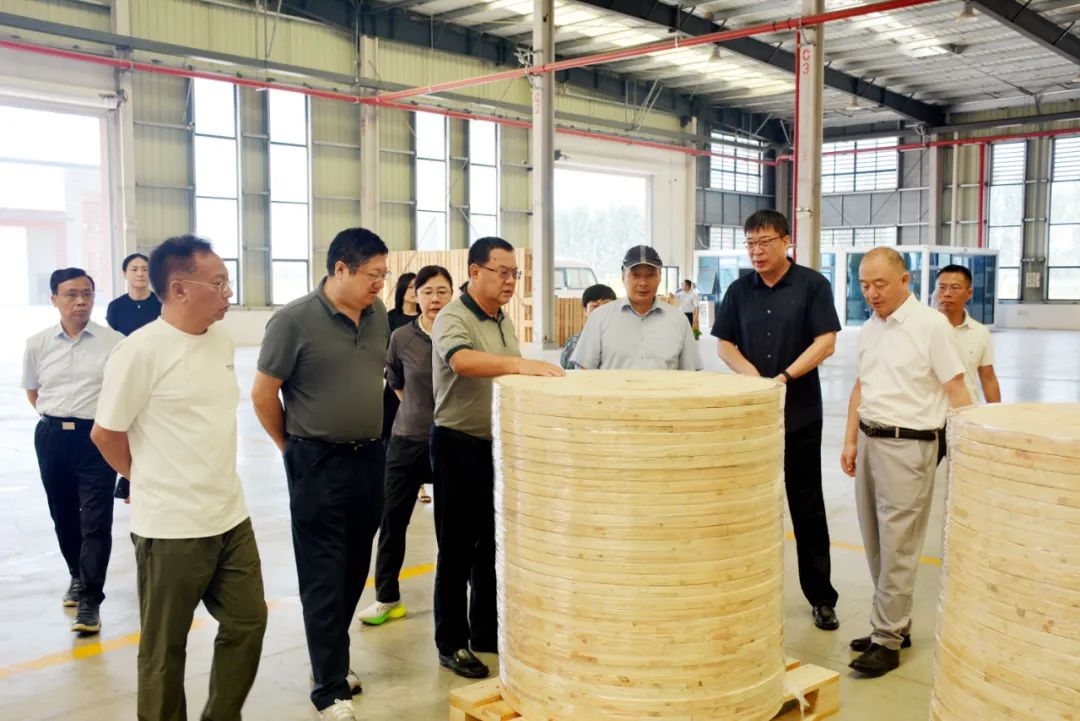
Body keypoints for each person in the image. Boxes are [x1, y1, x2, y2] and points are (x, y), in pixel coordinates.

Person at [91, 236, 267, 721]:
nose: (228, 292)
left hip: (229, 515)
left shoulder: (222, 341)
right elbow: (105, 434)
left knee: (248, 621)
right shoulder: (139, 351)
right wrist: (143, 477)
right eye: (219, 283)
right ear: (179, 289)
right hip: (170, 528)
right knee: (164, 649)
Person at [251, 227, 389, 721]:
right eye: (373, 274)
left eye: (384, 274)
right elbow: (263, 394)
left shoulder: (377, 315)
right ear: (340, 269)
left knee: (353, 569)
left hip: (369, 458)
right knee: (323, 574)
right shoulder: (294, 320)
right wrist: (291, 449)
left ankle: (330, 659)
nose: (380, 284)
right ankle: (329, 688)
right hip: (316, 462)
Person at [431, 236, 564, 680]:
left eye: (514, 274)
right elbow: (462, 361)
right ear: (475, 272)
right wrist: (521, 366)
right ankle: (451, 642)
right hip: (457, 444)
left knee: (491, 542)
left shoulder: (501, 318)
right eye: (502, 272)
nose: (510, 281)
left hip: (497, 444)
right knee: (456, 547)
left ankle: (486, 631)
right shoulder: (454, 316)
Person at [840, 247, 970, 678]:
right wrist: (850, 440)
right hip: (870, 438)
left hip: (909, 445)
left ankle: (887, 639)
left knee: (899, 545)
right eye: (864, 285)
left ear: (904, 281)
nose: (871, 293)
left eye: (879, 284)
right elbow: (861, 386)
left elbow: (956, 388)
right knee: (876, 540)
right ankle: (895, 624)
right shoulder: (869, 328)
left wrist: (970, 449)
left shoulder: (931, 326)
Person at [712, 209, 843, 632]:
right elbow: (724, 345)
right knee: (746, 506)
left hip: (800, 414)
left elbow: (826, 341)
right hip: (751, 419)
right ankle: (744, 589)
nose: (757, 251)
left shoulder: (812, 285)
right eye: (750, 243)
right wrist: (756, 381)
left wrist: (784, 378)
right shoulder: (738, 290)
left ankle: (821, 597)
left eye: (765, 242)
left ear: (786, 241)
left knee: (807, 506)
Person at [21, 268, 122, 635]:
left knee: (96, 520)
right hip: (52, 438)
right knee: (63, 515)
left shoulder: (114, 343)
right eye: (71, 294)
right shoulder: (37, 343)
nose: (81, 301)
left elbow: (121, 394)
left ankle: (90, 600)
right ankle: (77, 575)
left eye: (87, 294)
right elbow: (34, 392)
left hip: (95, 438)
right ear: (54, 299)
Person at [358, 265, 453, 627]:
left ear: (452, 295)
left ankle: (454, 603)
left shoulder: (460, 335)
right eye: (427, 291)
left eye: (442, 291)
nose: (434, 299)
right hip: (407, 439)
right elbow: (396, 382)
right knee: (392, 521)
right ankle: (387, 598)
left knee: (451, 527)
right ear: (416, 295)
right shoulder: (401, 337)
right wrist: (417, 410)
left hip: (451, 442)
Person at [569, 245, 703, 371]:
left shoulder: (679, 321)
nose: (643, 283)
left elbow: (690, 374)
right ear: (623, 277)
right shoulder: (599, 318)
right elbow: (585, 371)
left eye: (650, 275)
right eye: (635, 275)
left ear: (660, 277)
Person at [934, 264, 1001, 463]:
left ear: (969, 293)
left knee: (963, 472)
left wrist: (998, 416)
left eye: (955, 288)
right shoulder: (923, 328)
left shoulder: (980, 332)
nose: (947, 294)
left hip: (964, 416)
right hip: (928, 418)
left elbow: (988, 378)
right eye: (942, 287)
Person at [560, 283, 616, 369]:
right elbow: (566, 366)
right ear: (585, 311)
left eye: (606, 306)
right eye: (595, 306)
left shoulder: (622, 338)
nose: (601, 311)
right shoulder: (575, 341)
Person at [105, 252, 162, 336]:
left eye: (145, 269)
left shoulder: (163, 304)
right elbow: (111, 337)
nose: (140, 274)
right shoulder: (115, 306)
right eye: (134, 269)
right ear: (125, 274)